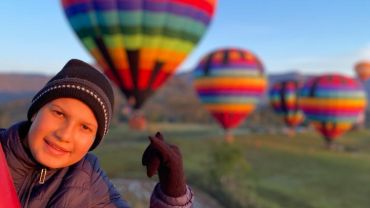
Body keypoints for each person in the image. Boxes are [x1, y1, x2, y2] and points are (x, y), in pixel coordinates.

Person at [0, 59, 193, 207]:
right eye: (58, 113)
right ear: (35, 112)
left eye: (85, 127)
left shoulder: (89, 181)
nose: (65, 135)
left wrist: (173, 195)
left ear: (95, 140)